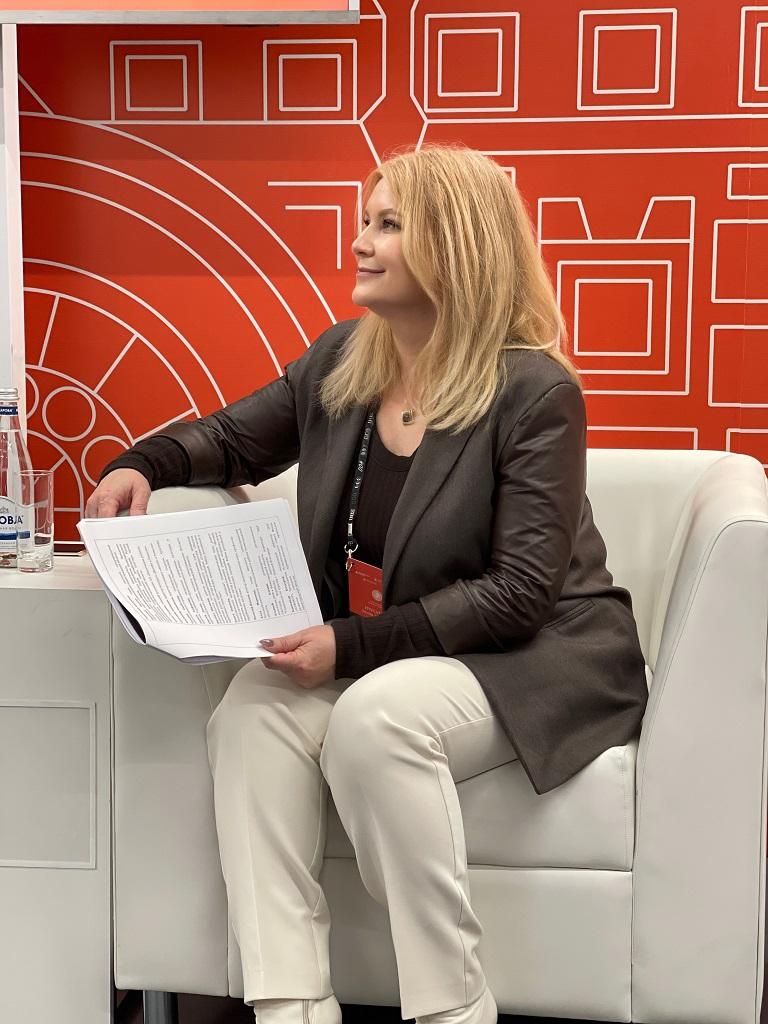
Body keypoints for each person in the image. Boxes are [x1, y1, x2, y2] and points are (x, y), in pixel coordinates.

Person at [86, 144, 648, 1024]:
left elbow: (519, 593)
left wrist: (347, 646)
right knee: (251, 715)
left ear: (453, 245)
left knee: (376, 721)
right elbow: (231, 440)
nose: (361, 242)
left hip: (529, 655)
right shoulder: (345, 359)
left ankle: (452, 1009)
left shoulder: (533, 392)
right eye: (364, 221)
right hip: (390, 648)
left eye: (388, 224)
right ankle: (291, 1007)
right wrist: (141, 463)